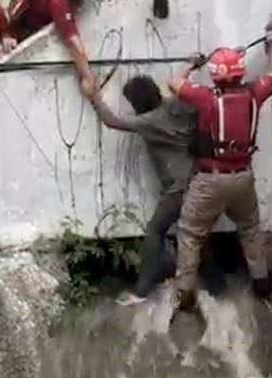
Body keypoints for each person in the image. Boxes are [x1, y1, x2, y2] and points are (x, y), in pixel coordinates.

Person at [167, 19, 272, 310]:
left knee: (190, 233)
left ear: (215, 75)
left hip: (210, 178)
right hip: (243, 176)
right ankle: (261, 280)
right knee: (249, 228)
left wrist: (190, 64)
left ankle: (184, 293)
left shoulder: (206, 99)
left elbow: (174, 84)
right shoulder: (253, 94)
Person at [80, 73, 197, 304]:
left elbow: (111, 121)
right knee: (195, 234)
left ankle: (142, 290)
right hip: (200, 182)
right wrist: (191, 66)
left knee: (155, 231)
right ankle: (209, 284)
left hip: (177, 190)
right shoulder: (178, 106)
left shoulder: (149, 121)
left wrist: (94, 96)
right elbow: (185, 91)